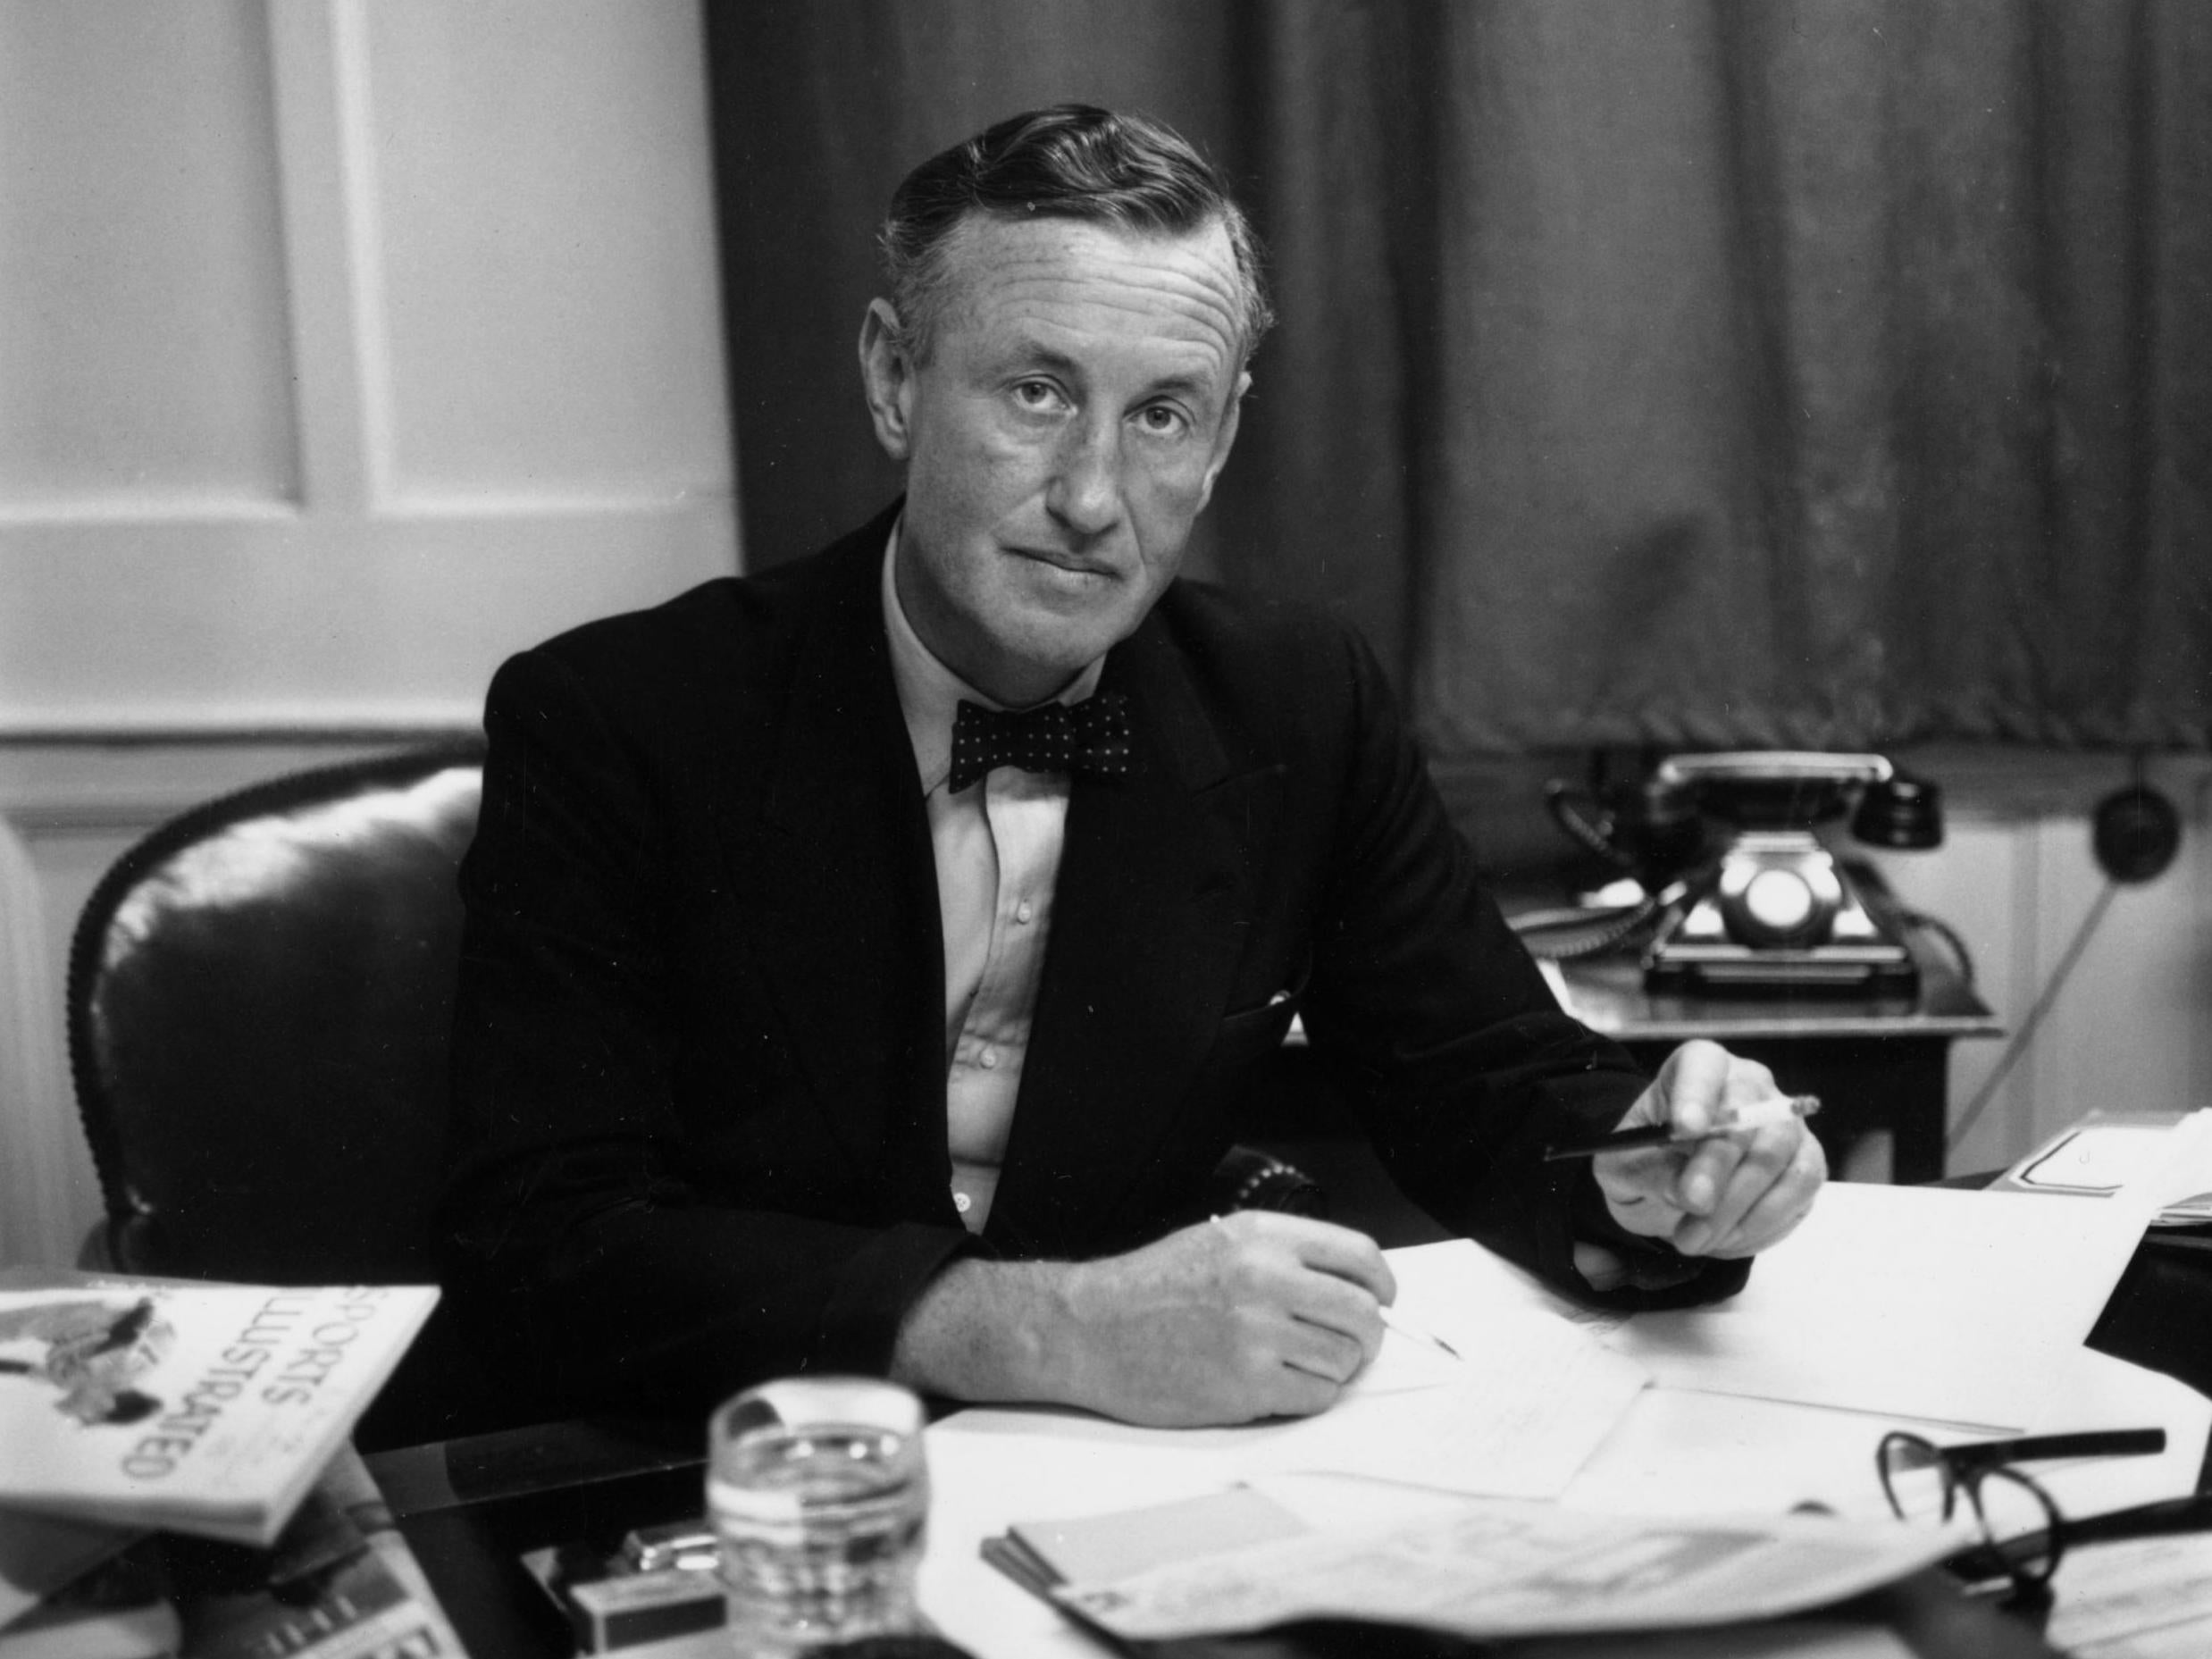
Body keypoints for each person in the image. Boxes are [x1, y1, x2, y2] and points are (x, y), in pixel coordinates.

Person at [438, 104, 1825, 1430]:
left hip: (1112, 1478)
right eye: (1037, 392)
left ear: (1222, 439)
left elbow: (1486, 1081)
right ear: (892, 381)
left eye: (1163, 414)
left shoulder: (1296, 700)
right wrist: (1043, 1329)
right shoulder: (618, 719)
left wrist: (1656, 1166)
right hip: (721, 1474)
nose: (1094, 497)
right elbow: (552, 1244)